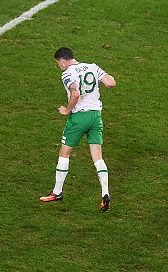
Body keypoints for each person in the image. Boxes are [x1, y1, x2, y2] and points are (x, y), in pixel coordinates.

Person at [40, 47, 117, 212]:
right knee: (97, 157)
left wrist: (67, 110)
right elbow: (111, 82)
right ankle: (105, 193)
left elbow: (75, 94)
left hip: (79, 118)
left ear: (62, 61)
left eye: (58, 64)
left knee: (64, 153)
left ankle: (57, 192)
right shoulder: (93, 67)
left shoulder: (67, 73)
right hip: (96, 117)